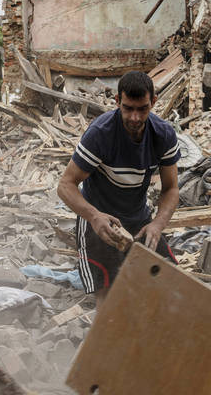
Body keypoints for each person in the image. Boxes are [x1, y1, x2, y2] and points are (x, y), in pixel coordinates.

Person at [57, 71, 180, 306]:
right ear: (117, 102)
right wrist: (94, 216)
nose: (134, 117)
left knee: (169, 283)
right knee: (109, 295)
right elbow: (65, 185)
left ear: (153, 102)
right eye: (128, 108)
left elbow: (171, 188)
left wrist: (157, 224)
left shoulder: (163, 135)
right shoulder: (100, 134)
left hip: (138, 217)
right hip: (98, 218)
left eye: (142, 109)